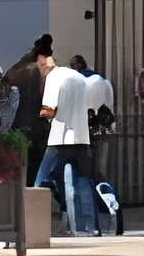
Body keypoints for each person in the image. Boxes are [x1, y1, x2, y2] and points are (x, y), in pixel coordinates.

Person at [36, 53, 108, 236]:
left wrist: (43, 123)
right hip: (82, 138)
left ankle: (32, 225)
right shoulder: (79, 78)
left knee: (39, 182)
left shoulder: (53, 78)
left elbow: (48, 109)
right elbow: (91, 106)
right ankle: (91, 227)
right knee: (84, 183)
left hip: (60, 138)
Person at [6, 36, 54, 178]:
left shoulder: (17, 70)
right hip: (36, 128)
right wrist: (49, 120)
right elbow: (46, 101)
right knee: (35, 172)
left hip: (17, 125)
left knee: (20, 172)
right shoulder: (41, 72)